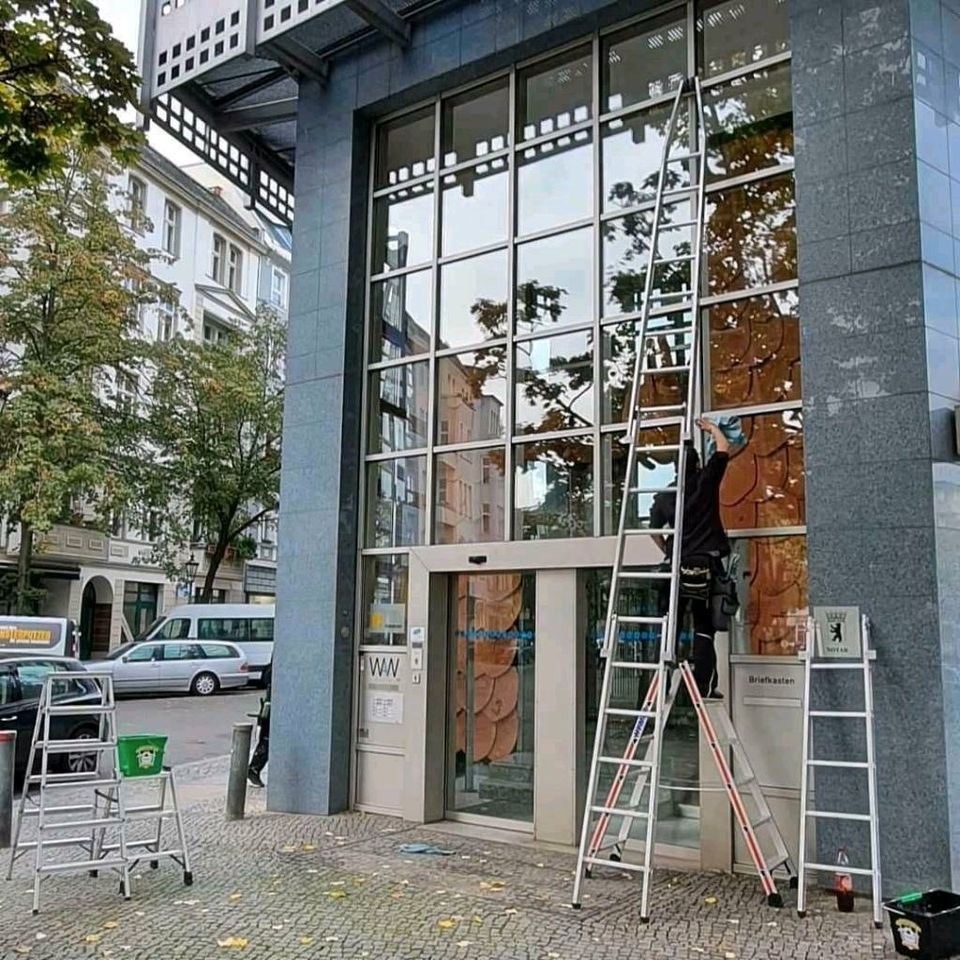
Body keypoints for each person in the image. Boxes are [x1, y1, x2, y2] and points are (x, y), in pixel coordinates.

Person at [650, 418, 730, 698]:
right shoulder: (706, 482)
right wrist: (712, 429)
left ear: (675, 468)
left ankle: (660, 684)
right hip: (705, 565)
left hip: (676, 567)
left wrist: (669, 552)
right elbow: (723, 449)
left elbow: (653, 532)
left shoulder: (664, 497)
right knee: (704, 626)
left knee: (671, 623)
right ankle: (704, 685)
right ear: (697, 465)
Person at [248, 660, 271, 787]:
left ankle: (254, 769)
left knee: (267, 740)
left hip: (274, 705)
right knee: (267, 740)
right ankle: (254, 768)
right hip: (272, 707)